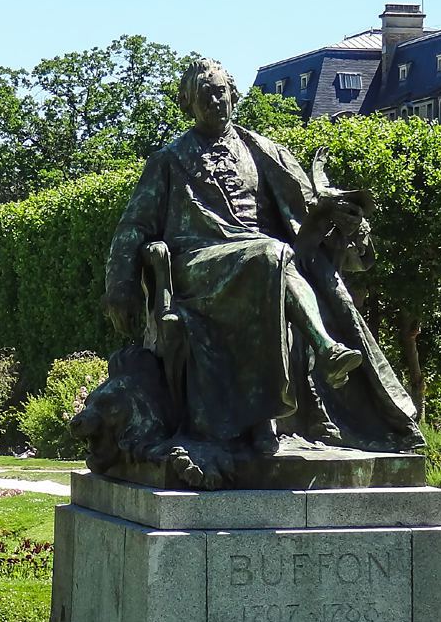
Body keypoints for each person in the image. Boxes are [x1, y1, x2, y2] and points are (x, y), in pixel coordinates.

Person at [104, 58, 424, 455]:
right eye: (206, 96)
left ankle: (299, 391)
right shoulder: (168, 161)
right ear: (188, 104)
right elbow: (133, 226)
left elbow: (308, 213)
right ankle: (323, 351)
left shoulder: (263, 150)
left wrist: (344, 220)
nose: (216, 101)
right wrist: (121, 288)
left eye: (221, 92)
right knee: (271, 255)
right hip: (197, 266)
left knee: (275, 258)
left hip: (263, 263)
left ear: (233, 95)